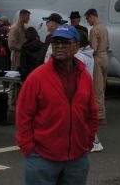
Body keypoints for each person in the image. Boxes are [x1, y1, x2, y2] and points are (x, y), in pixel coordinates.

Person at [16, 24, 98, 185]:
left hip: (77, 160)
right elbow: (23, 115)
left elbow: (91, 113)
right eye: (56, 42)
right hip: (42, 158)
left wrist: (87, 142)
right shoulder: (37, 77)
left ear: (76, 46)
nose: (59, 46)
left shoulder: (85, 77)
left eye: (65, 42)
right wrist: (29, 149)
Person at [85, 8, 110, 124]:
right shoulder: (104, 28)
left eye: (87, 19)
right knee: (103, 87)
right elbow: (108, 45)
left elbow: (93, 48)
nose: (87, 21)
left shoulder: (94, 30)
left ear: (91, 17)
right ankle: (101, 112)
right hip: (105, 57)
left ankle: (100, 116)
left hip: (98, 58)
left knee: (97, 88)